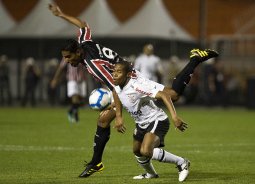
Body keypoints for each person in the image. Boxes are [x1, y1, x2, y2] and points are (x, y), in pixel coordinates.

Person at [48, 3, 218, 178]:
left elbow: (115, 86)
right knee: (104, 120)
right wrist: (60, 14)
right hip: (124, 78)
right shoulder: (85, 43)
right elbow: (82, 24)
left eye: (69, 57)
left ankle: (195, 59)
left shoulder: (94, 65)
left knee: (172, 96)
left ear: (78, 52)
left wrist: (119, 115)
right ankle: (96, 163)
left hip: (129, 81)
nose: (67, 61)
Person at [112, 60, 189, 182]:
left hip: (157, 120)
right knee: (137, 151)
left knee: (146, 151)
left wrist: (174, 117)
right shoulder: (116, 86)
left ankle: (182, 162)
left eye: (119, 72)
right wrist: (118, 116)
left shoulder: (136, 87)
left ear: (127, 74)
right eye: (114, 71)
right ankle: (151, 174)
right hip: (141, 123)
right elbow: (116, 93)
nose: (114, 74)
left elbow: (165, 95)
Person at [51, 58, 87, 123]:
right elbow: (61, 68)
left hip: (82, 79)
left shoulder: (82, 54)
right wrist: (55, 79)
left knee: (81, 100)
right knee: (74, 97)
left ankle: (70, 111)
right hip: (72, 80)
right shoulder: (67, 55)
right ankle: (76, 118)